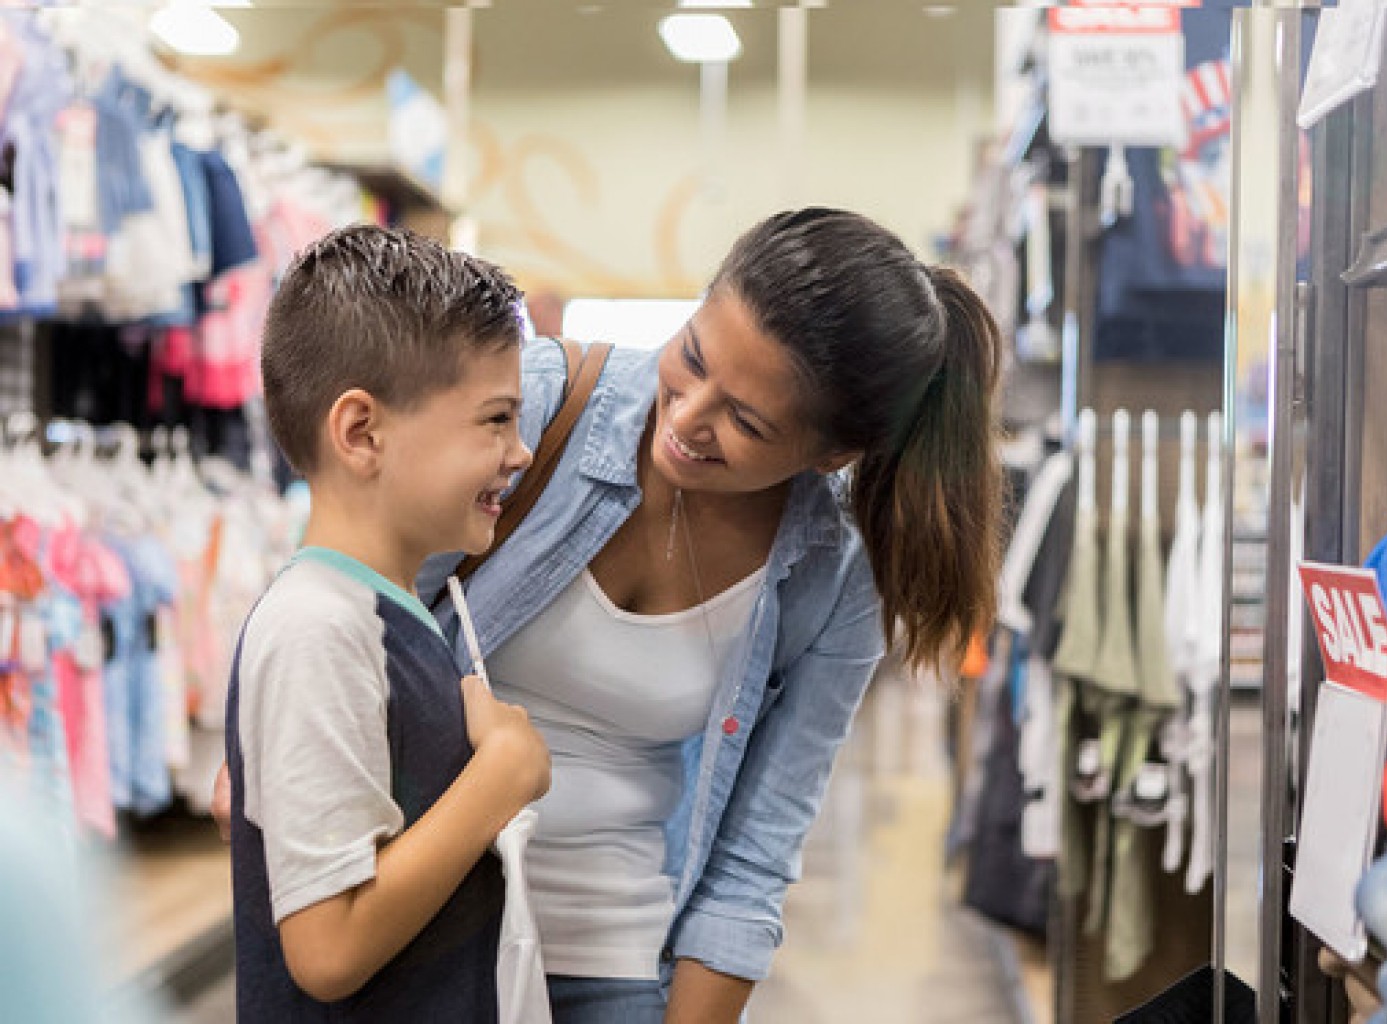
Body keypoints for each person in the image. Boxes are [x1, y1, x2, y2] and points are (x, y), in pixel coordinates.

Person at [215, 207, 1003, 1022]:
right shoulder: (538, 406)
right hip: (430, 935)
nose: (688, 419)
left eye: (746, 420)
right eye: (691, 356)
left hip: (618, 951)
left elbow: (754, 853)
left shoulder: (832, 574)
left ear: (829, 454)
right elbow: (354, 587)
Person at [226, 225, 551, 1021]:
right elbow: (328, 950)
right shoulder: (319, 628)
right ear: (363, 433)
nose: (520, 452)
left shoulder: (384, 613)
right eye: (495, 419)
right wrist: (500, 777)